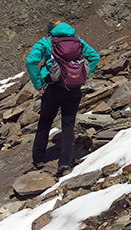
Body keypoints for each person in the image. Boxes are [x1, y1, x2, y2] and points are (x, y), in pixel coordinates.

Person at [25, 20, 100, 176]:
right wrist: (83, 76)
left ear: (51, 30)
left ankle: (38, 159)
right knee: (68, 124)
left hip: (53, 88)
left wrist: (38, 84)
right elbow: (95, 57)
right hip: (74, 89)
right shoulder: (77, 41)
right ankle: (64, 165)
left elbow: (31, 60)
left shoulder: (46, 42)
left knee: (45, 122)